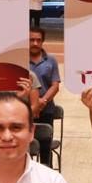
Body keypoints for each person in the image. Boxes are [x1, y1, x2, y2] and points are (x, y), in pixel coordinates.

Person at [30, 27, 61, 165]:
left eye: (38, 40)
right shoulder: (19, 59)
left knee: (45, 148)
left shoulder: (51, 60)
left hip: (46, 109)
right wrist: (33, 104)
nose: (35, 43)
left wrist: (42, 102)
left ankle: (47, 173)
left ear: (42, 41)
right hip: (26, 110)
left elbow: (55, 85)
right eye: (31, 40)